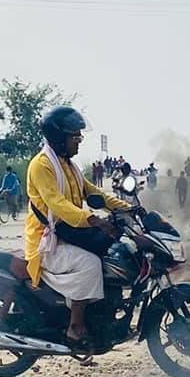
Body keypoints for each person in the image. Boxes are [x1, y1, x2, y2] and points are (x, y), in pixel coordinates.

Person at [26, 106, 132, 346]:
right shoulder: (41, 165)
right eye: (75, 136)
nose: (79, 141)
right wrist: (93, 219)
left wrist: (126, 208)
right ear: (58, 138)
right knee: (91, 263)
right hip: (46, 241)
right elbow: (58, 204)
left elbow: (94, 193)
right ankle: (75, 327)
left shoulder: (70, 166)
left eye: (79, 136)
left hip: (69, 234)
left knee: (113, 254)